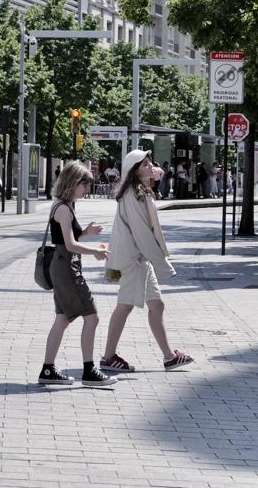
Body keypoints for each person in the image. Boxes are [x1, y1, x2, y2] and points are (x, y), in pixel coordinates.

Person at [101, 150, 193, 372]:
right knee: (125, 305)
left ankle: (169, 356)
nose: (150, 166)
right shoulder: (134, 195)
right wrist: (163, 263)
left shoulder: (140, 191)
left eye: (150, 163)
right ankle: (108, 356)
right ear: (134, 171)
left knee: (156, 304)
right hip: (134, 258)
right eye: (144, 165)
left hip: (140, 258)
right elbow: (143, 234)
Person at [38, 161, 116, 387]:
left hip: (64, 266)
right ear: (73, 183)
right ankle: (89, 371)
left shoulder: (65, 205)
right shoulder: (63, 208)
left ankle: (48, 369)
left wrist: (87, 232)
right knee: (92, 317)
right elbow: (70, 245)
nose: (87, 189)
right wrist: (95, 251)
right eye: (85, 185)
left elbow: (68, 240)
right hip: (66, 268)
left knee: (62, 318)